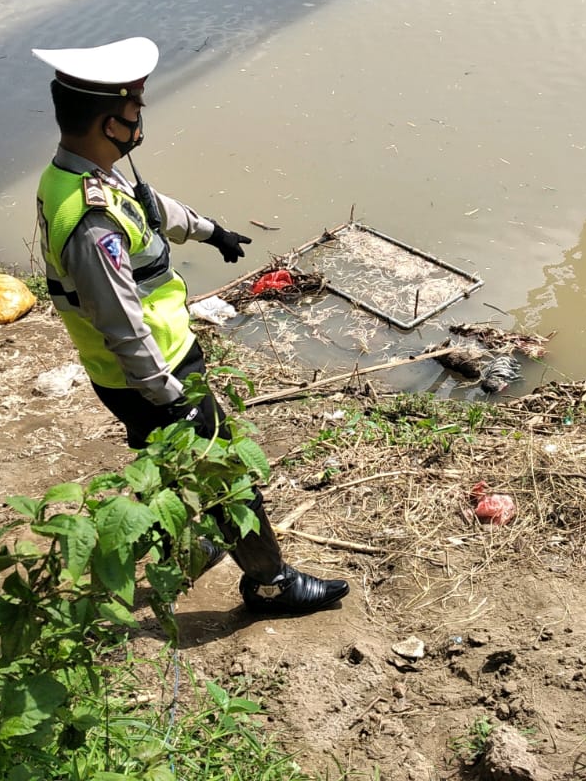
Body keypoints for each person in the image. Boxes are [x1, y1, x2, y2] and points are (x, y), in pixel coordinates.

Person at [31, 36, 348, 615]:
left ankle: (189, 543)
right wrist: (170, 396)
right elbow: (121, 323)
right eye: (135, 109)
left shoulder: (82, 176)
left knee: (174, 466)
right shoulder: (91, 223)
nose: (140, 118)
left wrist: (210, 231)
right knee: (228, 478)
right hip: (150, 375)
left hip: (157, 366)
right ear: (109, 123)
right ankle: (270, 585)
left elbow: (149, 206)